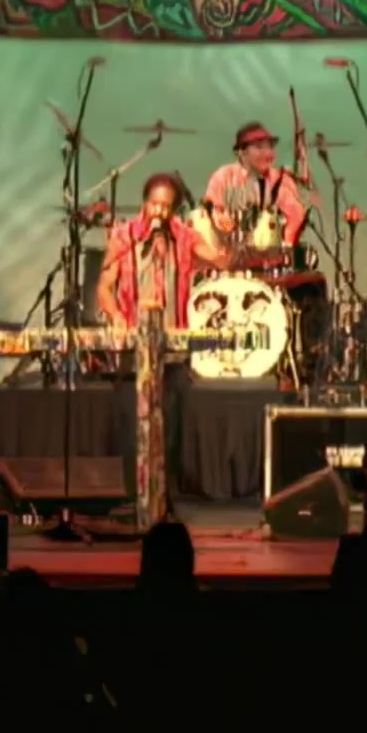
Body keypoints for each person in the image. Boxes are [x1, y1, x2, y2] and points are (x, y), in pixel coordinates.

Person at [96, 174, 230, 527]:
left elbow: (220, 261)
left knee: (169, 430)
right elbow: (105, 287)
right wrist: (116, 317)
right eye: (155, 205)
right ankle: (133, 501)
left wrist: (220, 231)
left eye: (167, 207)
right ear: (145, 203)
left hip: (172, 352)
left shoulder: (184, 237)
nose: (160, 212)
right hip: (134, 352)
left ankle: (163, 504)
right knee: (134, 430)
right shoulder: (124, 236)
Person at [202, 122, 309, 258]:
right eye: (259, 147)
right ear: (242, 152)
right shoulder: (223, 177)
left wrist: (286, 249)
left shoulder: (281, 181)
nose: (268, 153)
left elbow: (295, 216)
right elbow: (210, 211)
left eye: (270, 147)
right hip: (227, 256)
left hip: (269, 258)